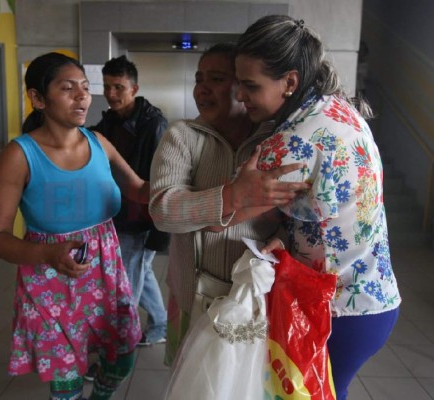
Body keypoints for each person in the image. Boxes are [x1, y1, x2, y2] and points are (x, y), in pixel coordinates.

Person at [234, 15, 401, 400]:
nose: (238, 96)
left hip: (335, 310)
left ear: (289, 82)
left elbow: (227, 218)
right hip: (373, 301)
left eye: (249, 85)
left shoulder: (290, 143)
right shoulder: (341, 111)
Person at [0, 52, 147, 400]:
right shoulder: (19, 155)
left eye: (85, 88)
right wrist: (46, 252)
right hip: (49, 279)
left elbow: (139, 189)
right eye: (68, 88)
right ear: (38, 98)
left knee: (122, 357)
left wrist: (197, 189)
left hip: (105, 270)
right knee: (66, 379)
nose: (82, 96)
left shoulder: (99, 142)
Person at [148, 43, 311, 366]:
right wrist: (234, 196)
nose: (202, 89)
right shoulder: (182, 136)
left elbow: (298, 212)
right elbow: (163, 211)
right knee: (194, 384)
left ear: (243, 87)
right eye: (199, 79)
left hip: (256, 297)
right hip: (193, 294)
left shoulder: (275, 141)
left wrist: (283, 237)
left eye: (217, 78)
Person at [89, 55, 168, 347]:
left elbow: (161, 178)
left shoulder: (153, 125)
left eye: (118, 87)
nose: (111, 94)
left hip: (139, 218)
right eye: (107, 86)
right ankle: (160, 325)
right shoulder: (108, 121)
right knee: (139, 272)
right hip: (116, 213)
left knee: (126, 283)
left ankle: (122, 344)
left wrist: (159, 226)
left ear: (134, 88)